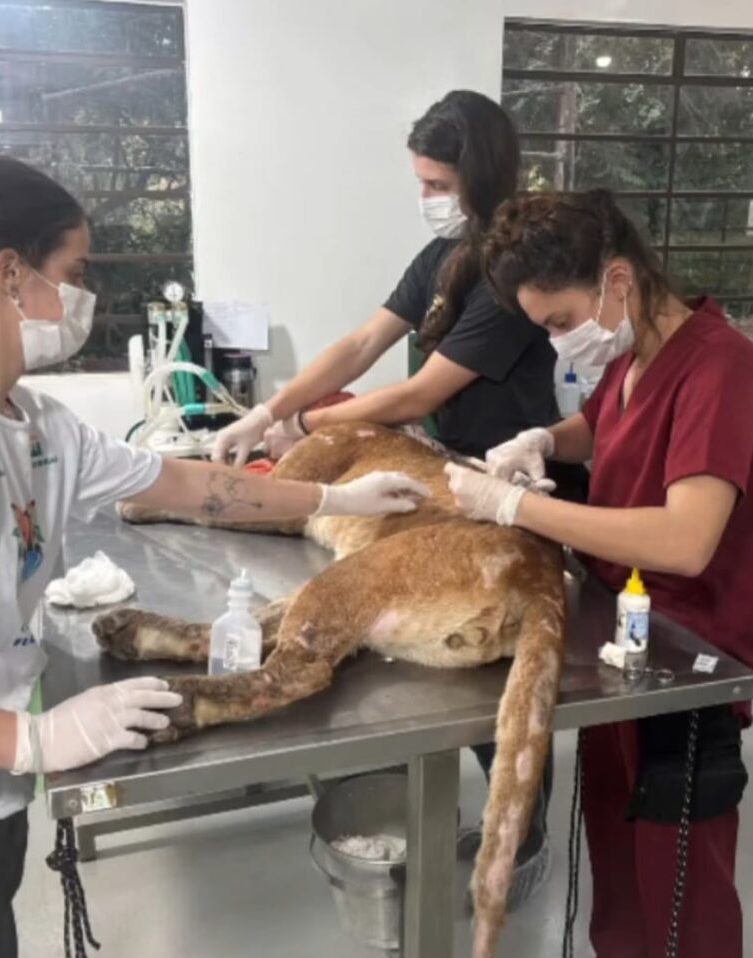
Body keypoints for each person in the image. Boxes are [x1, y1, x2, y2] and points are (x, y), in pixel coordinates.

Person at [0, 152, 429, 958]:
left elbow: (191, 487)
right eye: (76, 270)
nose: (84, 297)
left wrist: (337, 498)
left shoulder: (35, 422)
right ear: (11, 274)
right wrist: (30, 743)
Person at [213, 89, 572, 903]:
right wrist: (267, 410)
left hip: (510, 482)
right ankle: (410, 790)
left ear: (479, 174)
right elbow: (360, 343)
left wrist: (308, 420)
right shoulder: (442, 261)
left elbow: (416, 394)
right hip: (442, 469)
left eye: (439, 182)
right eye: (420, 183)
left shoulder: (514, 272)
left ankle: (527, 827)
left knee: (500, 664)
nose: (428, 199)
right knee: (416, 641)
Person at [448, 188, 753, 958]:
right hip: (619, 650)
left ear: (617, 280)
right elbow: (598, 425)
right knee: (621, 882)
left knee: (680, 896)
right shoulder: (633, 355)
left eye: (560, 321)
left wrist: (514, 509)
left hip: (687, 668)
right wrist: (543, 441)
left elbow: (688, 540)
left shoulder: (721, 367)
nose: (560, 341)